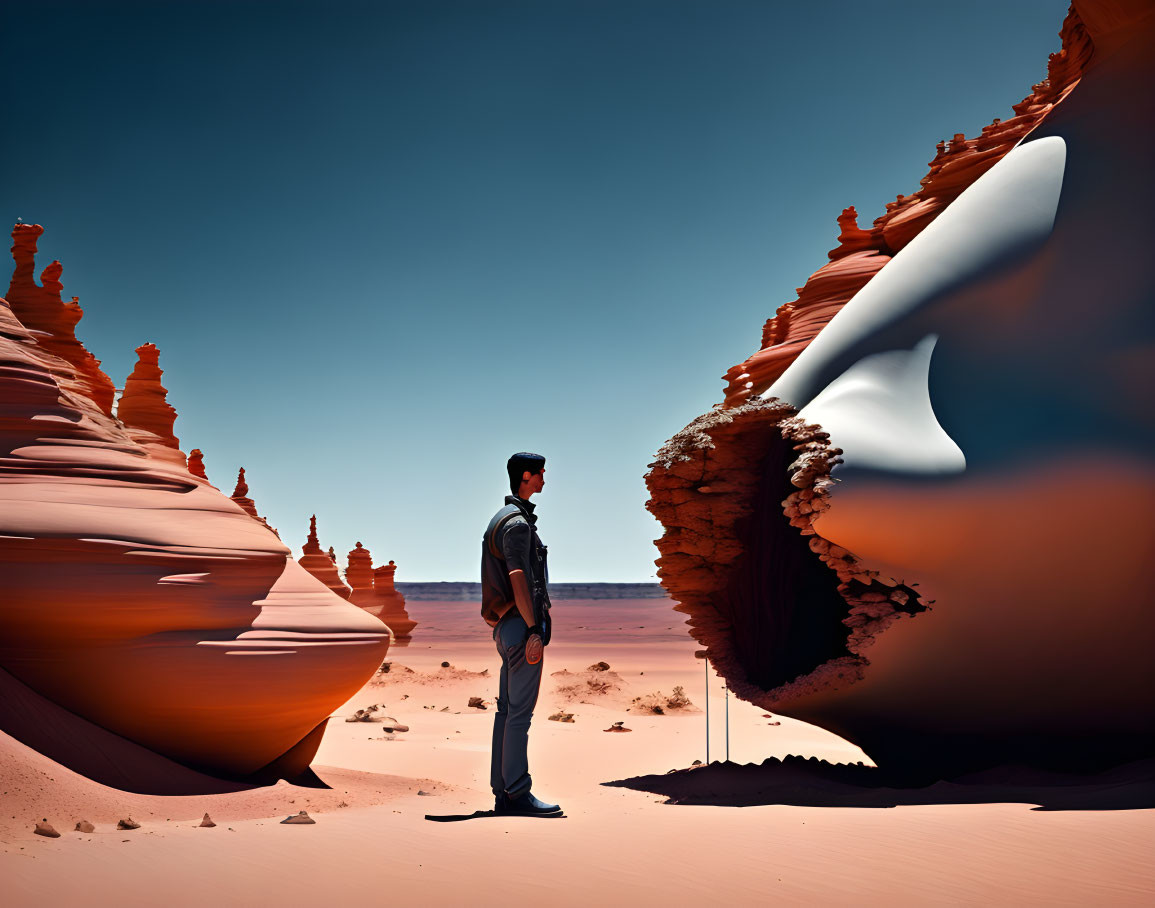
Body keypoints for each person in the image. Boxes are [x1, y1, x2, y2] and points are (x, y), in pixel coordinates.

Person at [480, 452, 559, 816]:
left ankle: (503, 790)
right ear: (526, 476)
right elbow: (518, 580)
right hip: (519, 626)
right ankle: (516, 792)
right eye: (541, 473)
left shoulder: (500, 520)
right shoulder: (517, 525)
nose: (544, 478)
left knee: (506, 711)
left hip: (504, 627)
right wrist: (532, 629)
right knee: (519, 715)